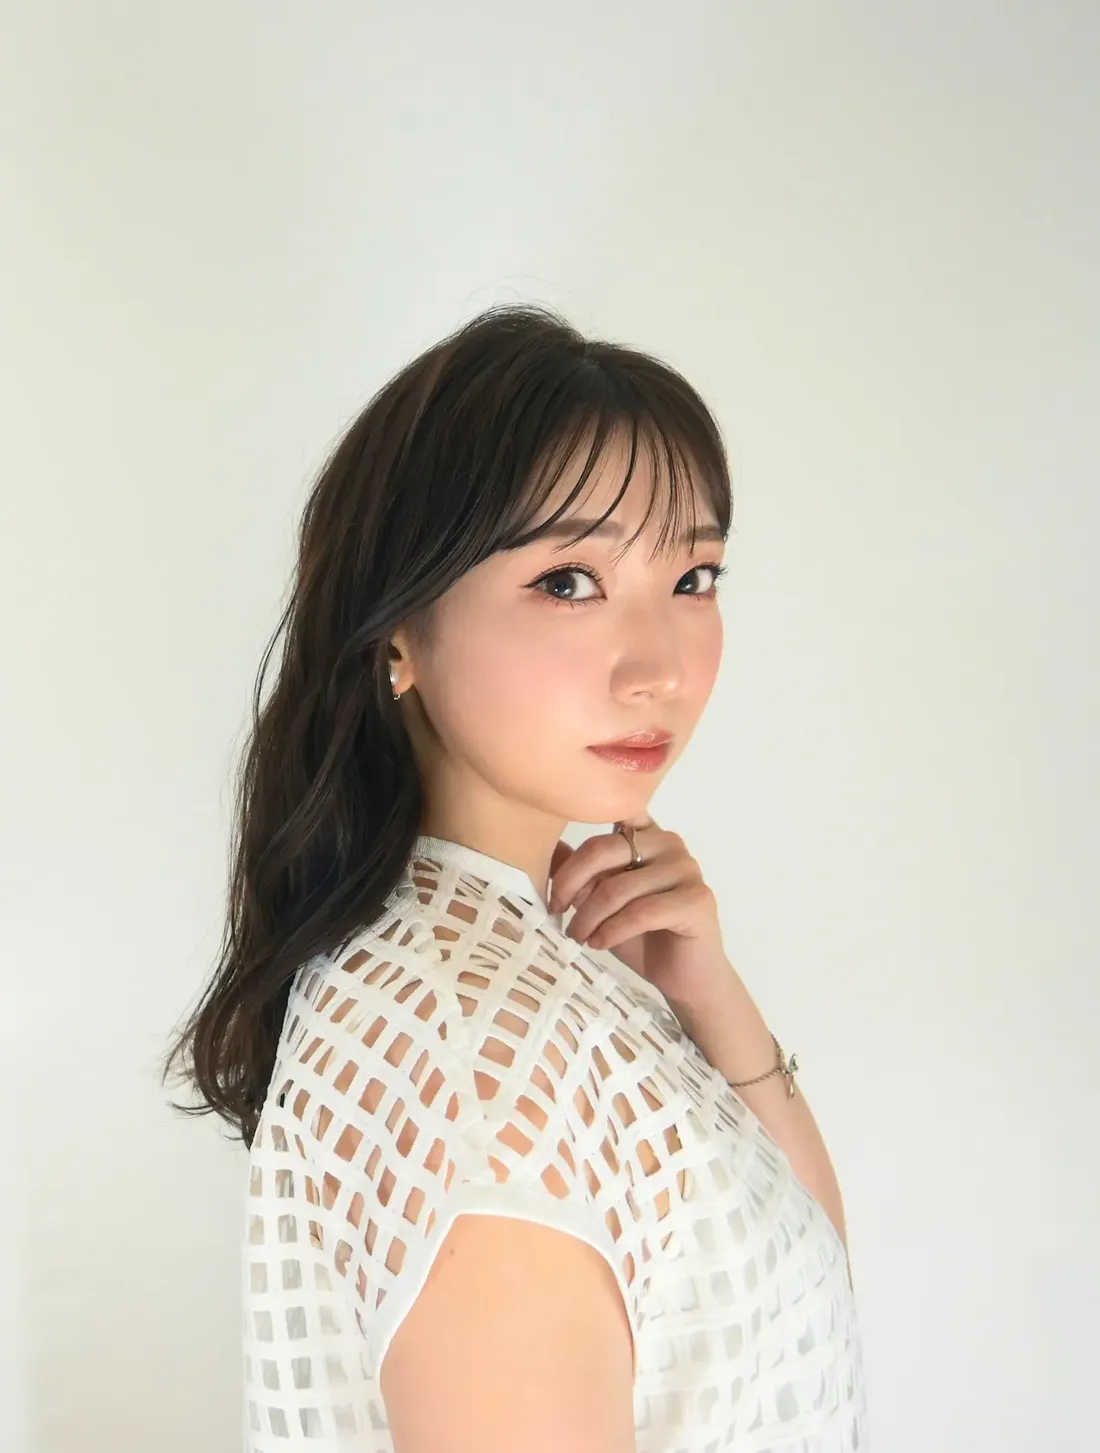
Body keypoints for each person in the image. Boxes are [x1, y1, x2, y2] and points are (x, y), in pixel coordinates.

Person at [165, 305, 868, 1452]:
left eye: (691, 574)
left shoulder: (538, 945)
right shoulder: (473, 1056)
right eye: (568, 582)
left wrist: (709, 995)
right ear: (398, 632)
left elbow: (804, 1282)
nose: (656, 669)